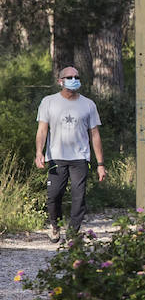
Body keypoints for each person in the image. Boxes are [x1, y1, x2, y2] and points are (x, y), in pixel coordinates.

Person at [35, 64, 107, 243]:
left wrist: (100, 164)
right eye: (69, 77)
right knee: (54, 195)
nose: (74, 80)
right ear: (60, 81)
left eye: (76, 77)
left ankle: (73, 233)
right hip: (56, 156)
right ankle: (55, 225)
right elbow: (42, 130)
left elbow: (95, 134)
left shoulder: (88, 104)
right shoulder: (48, 102)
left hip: (80, 158)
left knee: (79, 196)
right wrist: (39, 152)